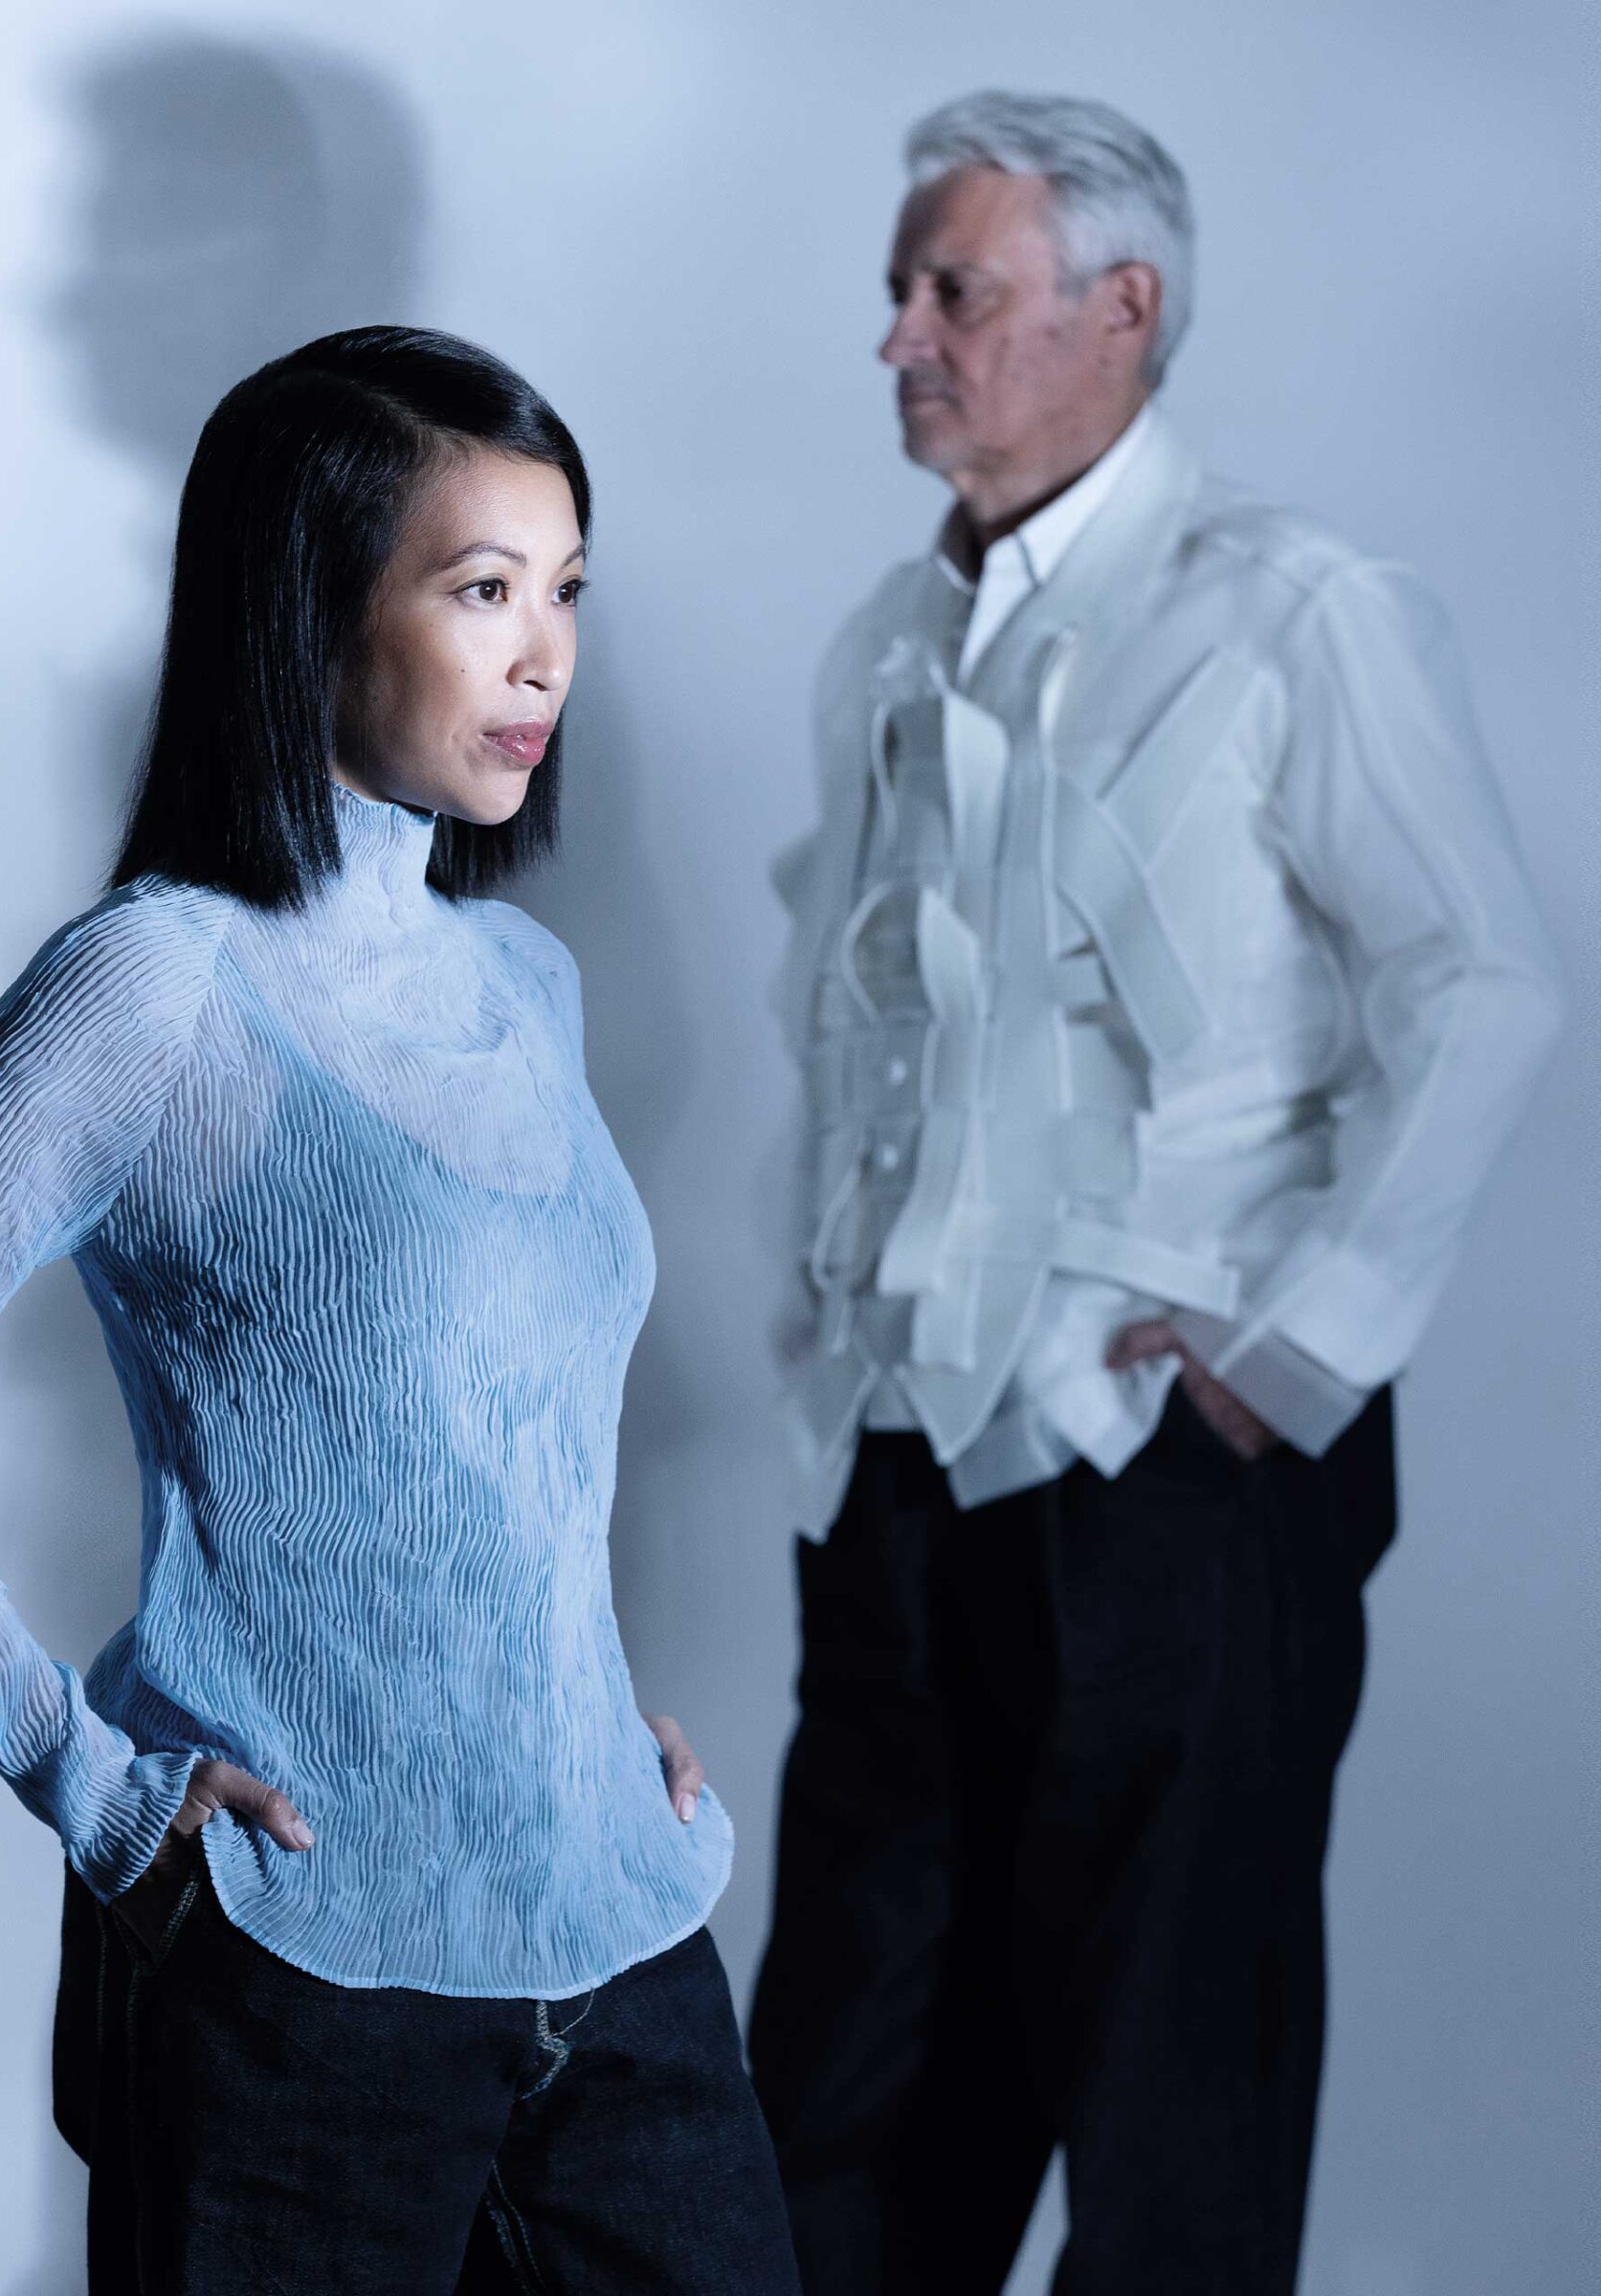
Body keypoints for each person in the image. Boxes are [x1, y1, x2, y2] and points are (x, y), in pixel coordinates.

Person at [0, 326, 800, 2295]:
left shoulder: (528, 986)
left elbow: (503, 1430)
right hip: (298, 1980)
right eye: (481, 590)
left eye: (567, 590)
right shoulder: (156, 987)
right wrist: (100, 1796)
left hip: (621, 1940)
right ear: (307, 610)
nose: (544, 656)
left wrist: (579, 1723)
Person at [749, 92, 1563, 2295]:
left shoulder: (1299, 612)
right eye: (901, 293)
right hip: (902, 1481)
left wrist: (1294, 1352)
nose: (901, 338)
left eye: (955, 291)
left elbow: (1483, 980)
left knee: (1168, 2137)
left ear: (1124, 307)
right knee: (828, 2125)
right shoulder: (885, 644)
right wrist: (819, 1328)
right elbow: (847, 1022)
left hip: (1184, 1486)